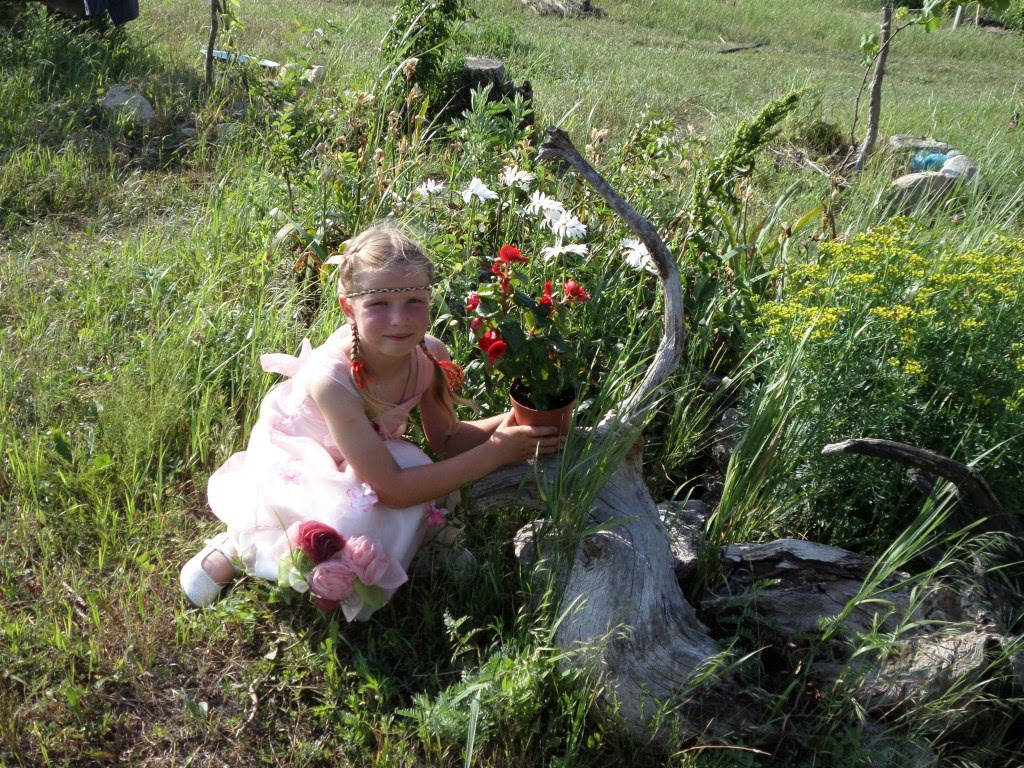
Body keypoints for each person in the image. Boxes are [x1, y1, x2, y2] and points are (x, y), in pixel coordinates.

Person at [179, 225, 563, 618]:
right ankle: (242, 543)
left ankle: (410, 544)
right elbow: (393, 488)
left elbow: (447, 439)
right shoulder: (332, 379)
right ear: (349, 308)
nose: (399, 320)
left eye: (414, 299)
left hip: (368, 454)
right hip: (304, 457)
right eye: (378, 303)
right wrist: (499, 452)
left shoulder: (430, 354)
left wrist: (518, 422)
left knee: (415, 465)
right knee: (363, 509)